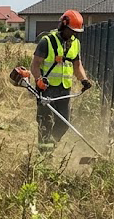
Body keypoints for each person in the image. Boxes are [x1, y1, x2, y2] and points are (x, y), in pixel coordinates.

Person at [30, 9, 93, 148]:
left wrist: (84, 80)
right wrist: (38, 80)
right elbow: (34, 65)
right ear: (63, 25)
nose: (73, 34)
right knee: (45, 122)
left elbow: (77, 65)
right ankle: (43, 154)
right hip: (46, 88)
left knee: (64, 123)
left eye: (76, 31)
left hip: (64, 89)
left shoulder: (75, 43)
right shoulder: (47, 41)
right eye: (71, 30)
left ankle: (51, 145)